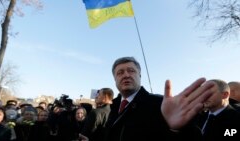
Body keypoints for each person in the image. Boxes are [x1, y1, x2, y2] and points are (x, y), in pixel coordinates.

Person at [79, 56, 217, 141]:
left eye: (131, 70)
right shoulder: (113, 107)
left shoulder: (160, 104)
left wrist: (176, 130)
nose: (126, 75)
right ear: (115, 79)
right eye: (120, 73)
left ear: (140, 76)